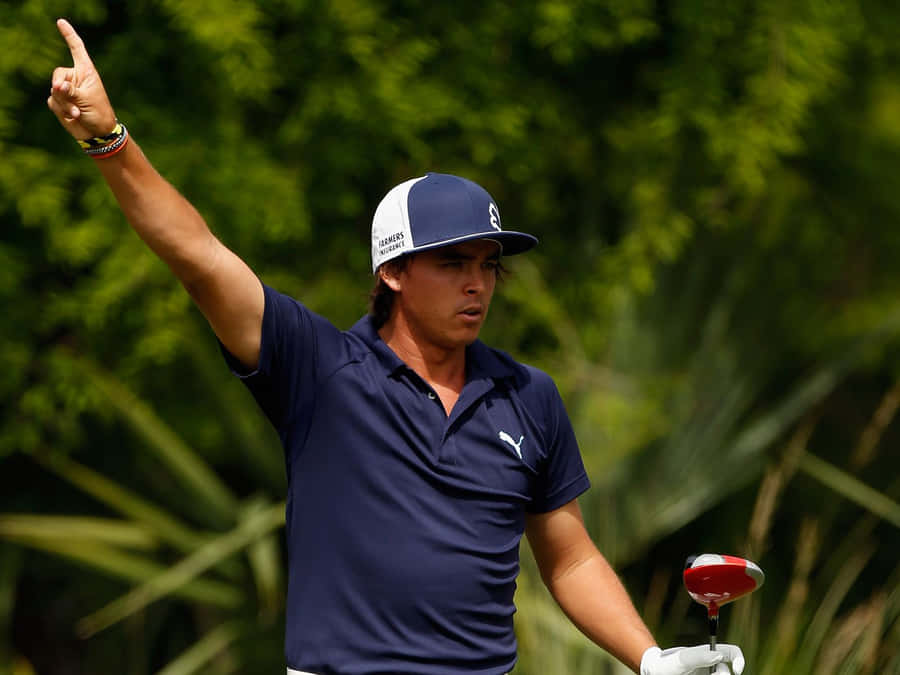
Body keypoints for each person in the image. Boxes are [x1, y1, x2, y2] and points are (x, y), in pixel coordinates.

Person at [47, 18, 747, 675]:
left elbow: (568, 560)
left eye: (488, 265)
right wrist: (109, 140)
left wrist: (651, 660)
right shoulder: (318, 369)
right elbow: (198, 255)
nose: (478, 284)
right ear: (393, 271)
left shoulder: (529, 396)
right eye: (453, 263)